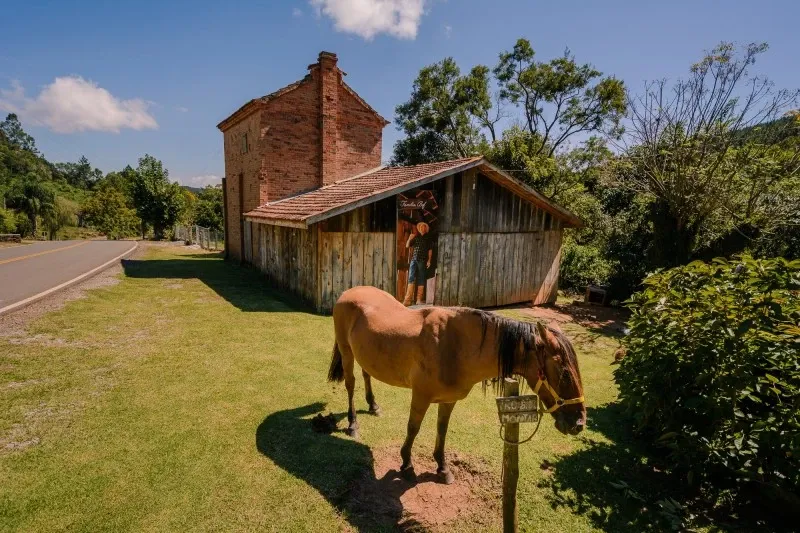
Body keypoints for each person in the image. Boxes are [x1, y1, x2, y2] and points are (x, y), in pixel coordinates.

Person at [403, 221, 433, 306]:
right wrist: (409, 238)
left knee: (421, 278)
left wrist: (429, 260)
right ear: (419, 228)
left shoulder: (428, 238)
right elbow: (407, 246)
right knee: (411, 277)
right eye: (421, 227)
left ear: (426, 229)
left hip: (422, 260)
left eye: (424, 227)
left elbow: (430, 250)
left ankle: (419, 299)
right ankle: (407, 300)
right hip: (414, 260)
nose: (422, 228)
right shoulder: (416, 237)